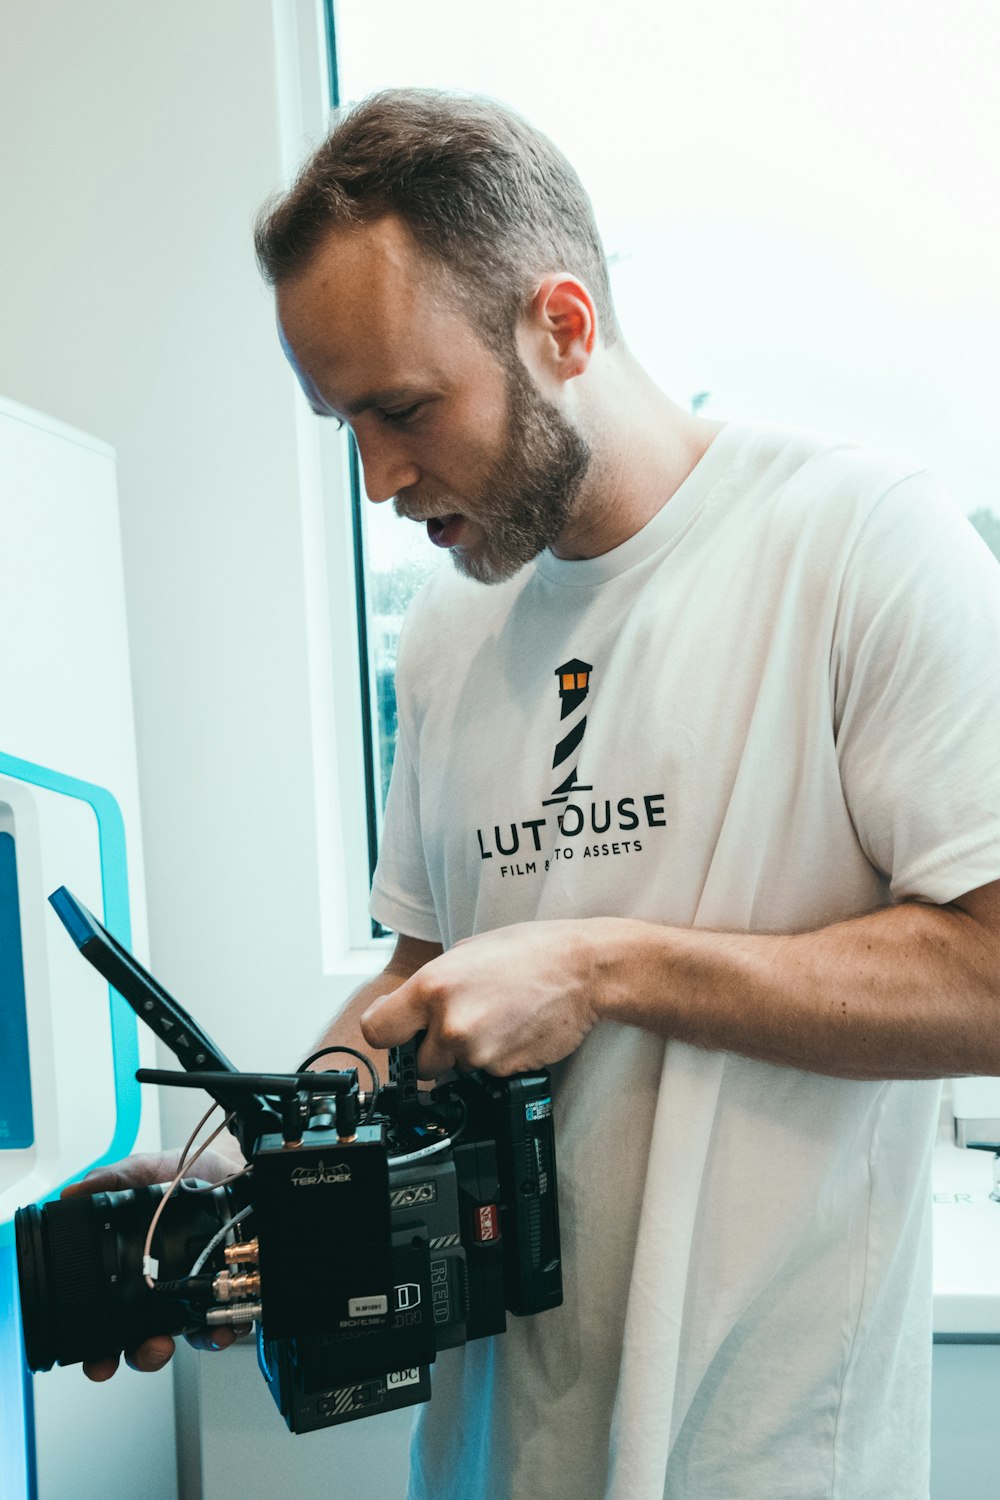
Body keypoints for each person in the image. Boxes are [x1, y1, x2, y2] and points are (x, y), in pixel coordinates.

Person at [72, 89, 1000, 1499]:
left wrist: (603, 966)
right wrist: (235, 1187)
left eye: (403, 409)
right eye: (343, 427)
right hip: (487, 1458)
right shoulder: (448, 634)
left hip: (772, 1460)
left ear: (563, 327)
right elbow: (425, 980)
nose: (379, 476)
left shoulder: (861, 545)